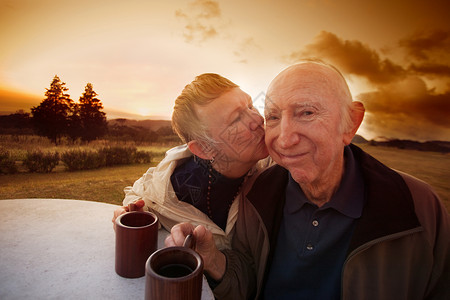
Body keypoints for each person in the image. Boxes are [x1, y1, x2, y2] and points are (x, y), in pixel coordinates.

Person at [166, 61, 450, 299]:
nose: (285, 139)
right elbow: (247, 282)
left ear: (350, 123)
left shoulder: (418, 209)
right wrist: (214, 260)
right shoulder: (257, 194)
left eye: (307, 112)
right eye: (273, 116)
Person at [112, 73, 270, 250]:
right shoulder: (174, 189)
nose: (258, 119)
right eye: (236, 119)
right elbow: (143, 193)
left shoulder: (278, 163)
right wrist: (130, 211)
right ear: (204, 148)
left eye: (250, 106)